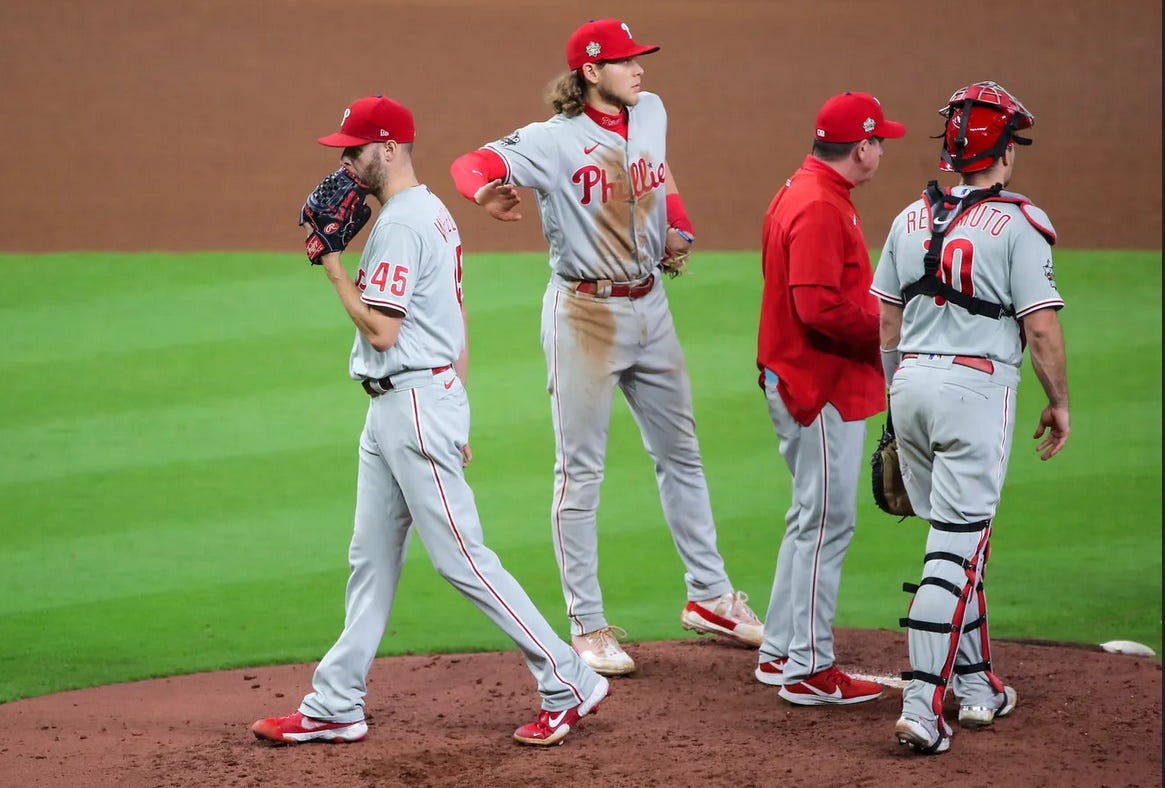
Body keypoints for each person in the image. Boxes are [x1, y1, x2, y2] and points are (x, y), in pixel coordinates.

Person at [252, 94, 609, 748]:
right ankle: (336, 702)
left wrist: (330, 263)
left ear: (387, 148)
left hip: (411, 403)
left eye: (353, 150)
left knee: (462, 561)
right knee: (370, 560)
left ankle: (567, 678)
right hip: (406, 407)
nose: (345, 165)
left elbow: (382, 330)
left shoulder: (402, 226)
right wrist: (457, 408)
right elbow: (454, 319)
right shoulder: (433, 214)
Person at [449, 18, 761, 677]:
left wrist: (677, 226)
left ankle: (709, 596)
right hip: (584, 314)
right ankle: (586, 627)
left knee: (682, 455)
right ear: (590, 73)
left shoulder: (650, 111)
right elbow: (471, 162)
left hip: (651, 304)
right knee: (580, 473)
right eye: (624, 61)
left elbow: (660, 171)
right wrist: (485, 192)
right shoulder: (551, 142)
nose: (639, 69)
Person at [871, 81, 1069, 754]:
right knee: (953, 549)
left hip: (911, 383)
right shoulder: (1018, 222)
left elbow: (887, 319)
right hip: (974, 392)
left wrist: (895, 404)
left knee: (960, 539)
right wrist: (1059, 400)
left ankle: (978, 685)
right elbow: (1039, 330)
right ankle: (923, 709)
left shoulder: (907, 217)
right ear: (1003, 151)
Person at [754, 91, 905, 705]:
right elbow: (817, 307)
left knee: (808, 517)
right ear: (862, 146)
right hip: (817, 385)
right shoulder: (819, 204)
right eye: (880, 141)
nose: (882, 150)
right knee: (826, 522)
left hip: (803, 376)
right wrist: (893, 327)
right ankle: (810, 667)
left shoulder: (809, 188)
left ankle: (779, 650)